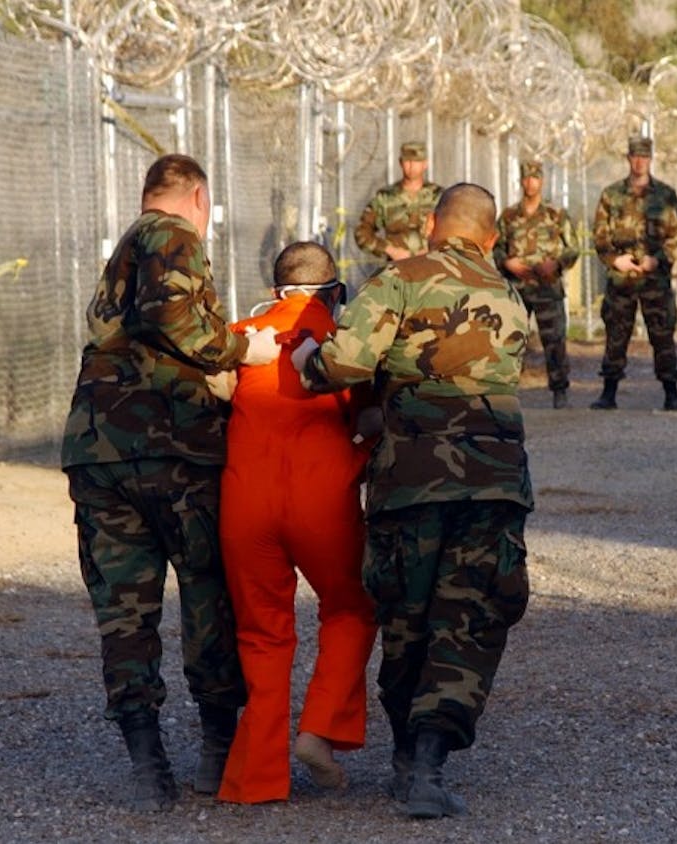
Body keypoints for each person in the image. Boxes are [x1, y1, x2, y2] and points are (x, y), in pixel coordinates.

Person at [292, 184, 532, 820]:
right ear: (490, 235)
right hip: (493, 479)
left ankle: (406, 757)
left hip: (412, 479)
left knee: (407, 612)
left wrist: (307, 360)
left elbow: (346, 363)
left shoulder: (397, 279)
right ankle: (428, 760)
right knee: (470, 616)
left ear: (431, 224)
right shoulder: (510, 297)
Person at [60, 153, 280, 812]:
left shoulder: (127, 246)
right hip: (173, 450)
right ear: (198, 197)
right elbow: (173, 317)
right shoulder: (170, 234)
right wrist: (246, 352)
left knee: (125, 615)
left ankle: (146, 763)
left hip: (102, 450)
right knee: (210, 597)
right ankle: (218, 751)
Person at [215, 243, 379, 803]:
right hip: (322, 499)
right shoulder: (341, 343)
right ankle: (319, 731)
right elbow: (372, 414)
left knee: (261, 634)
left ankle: (255, 780)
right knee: (352, 606)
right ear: (334, 290)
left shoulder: (241, 335)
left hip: (245, 502)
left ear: (275, 286)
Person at [590, 135, 677, 411]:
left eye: (644, 156)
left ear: (650, 159)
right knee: (616, 334)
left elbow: (676, 235)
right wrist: (615, 260)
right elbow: (600, 236)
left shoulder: (665, 195)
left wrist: (657, 260)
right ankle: (608, 392)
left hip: (654, 279)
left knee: (662, 335)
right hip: (621, 279)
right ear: (628, 158)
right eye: (635, 156)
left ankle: (672, 392)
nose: (639, 161)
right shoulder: (612, 195)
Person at [493, 159, 580, 409]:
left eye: (535, 178)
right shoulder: (509, 216)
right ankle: (506, 393)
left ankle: (559, 391)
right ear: (521, 181)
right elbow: (496, 247)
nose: (530, 183)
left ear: (542, 181)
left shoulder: (556, 215)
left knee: (554, 340)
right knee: (510, 341)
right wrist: (507, 263)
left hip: (547, 287)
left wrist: (557, 264)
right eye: (526, 178)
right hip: (517, 288)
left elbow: (573, 248)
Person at [355, 140, 444, 264]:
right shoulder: (386, 197)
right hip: (397, 267)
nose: (412, 166)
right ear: (400, 163)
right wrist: (390, 250)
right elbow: (362, 232)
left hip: (431, 267)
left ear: (425, 164)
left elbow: (453, 231)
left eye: (416, 161)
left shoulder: (439, 196)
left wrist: (432, 249)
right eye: (408, 161)